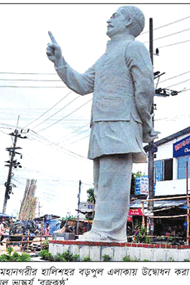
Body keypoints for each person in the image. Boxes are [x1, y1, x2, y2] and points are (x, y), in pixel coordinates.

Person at [46, 6, 158, 243]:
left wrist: (145, 123)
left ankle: (109, 233)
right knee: (102, 185)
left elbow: (145, 88)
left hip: (122, 123)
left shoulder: (134, 47)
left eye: (115, 16)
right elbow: (84, 84)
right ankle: (104, 231)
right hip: (101, 124)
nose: (109, 20)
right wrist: (60, 62)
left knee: (114, 183)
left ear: (128, 21)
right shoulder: (106, 55)